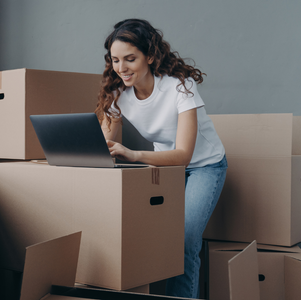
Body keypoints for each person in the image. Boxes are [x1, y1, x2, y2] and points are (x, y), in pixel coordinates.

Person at [95, 18, 227, 299]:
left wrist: (133, 155)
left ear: (150, 56)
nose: (121, 68)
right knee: (156, 237)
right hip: (162, 166)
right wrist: (101, 143)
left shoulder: (180, 86)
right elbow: (108, 143)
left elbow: (184, 156)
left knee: (184, 241)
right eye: (115, 60)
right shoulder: (119, 92)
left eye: (130, 59)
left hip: (204, 166)